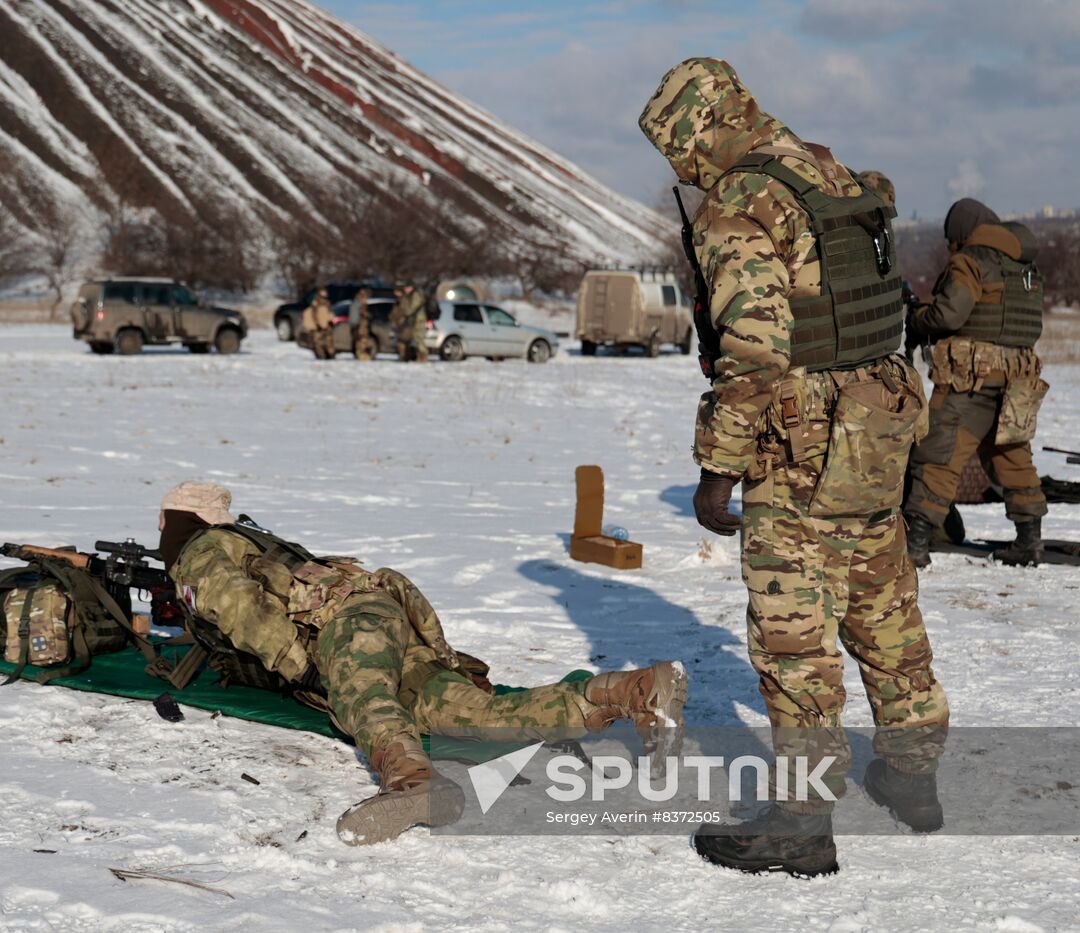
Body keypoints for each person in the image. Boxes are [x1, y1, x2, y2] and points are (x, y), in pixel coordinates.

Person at [639, 58, 949, 877]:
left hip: (803, 446)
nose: (683, 170)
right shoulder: (824, 169)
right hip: (881, 424)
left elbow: (754, 350)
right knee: (885, 607)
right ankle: (913, 777)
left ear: (700, 129)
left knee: (793, 635)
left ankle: (802, 822)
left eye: (679, 150)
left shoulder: (738, 205)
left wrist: (718, 467)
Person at [155, 481, 689, 846]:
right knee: (474, 714)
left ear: (179, 522)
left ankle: (414, 785)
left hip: (349, 622)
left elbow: (239, 606)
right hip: (386, 618)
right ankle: (630, 690)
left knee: (362, 696)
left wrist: (304, 668)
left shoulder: (199, 551)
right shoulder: (246, 538)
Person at [903, 199, 1049, 568]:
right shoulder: (1022, 264)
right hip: (1018, 378)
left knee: (938, 455)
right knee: (1013, 455)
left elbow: (950, 313)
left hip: (970, 380)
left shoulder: (970, 260)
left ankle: (916, 542)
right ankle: (1030, 541)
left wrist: (919, 318)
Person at [391, 283, 428, 362]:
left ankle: (422, 357)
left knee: (418, 339)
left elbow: (409, 309)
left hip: (418, 321)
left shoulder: (415, 296)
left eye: (406, 288)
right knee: (406, 339)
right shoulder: (408, 297)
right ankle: (407, 357)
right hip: (411, 322)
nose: (405, 290)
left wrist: (404, 312)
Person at [305, 289, 335, 360]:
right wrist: (317, 324)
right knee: (318, 342)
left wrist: (331, 320)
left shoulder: (327, 302)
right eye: (324, 292)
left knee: (329, 341)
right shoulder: (316, 302)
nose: (325, 294)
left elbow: (329, 312)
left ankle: (330, 356)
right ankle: (321, 356)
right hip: (319, 325)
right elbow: (314, 314)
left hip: (327, 325)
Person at [352, 288, 377, 361]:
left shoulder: (356, 302)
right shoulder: (361, 304)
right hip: (362, 326)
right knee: (362, 341)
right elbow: (363, 313)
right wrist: (369, 315)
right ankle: (361, 355)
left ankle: (361, 355)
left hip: (361, 326)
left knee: (361, 341)